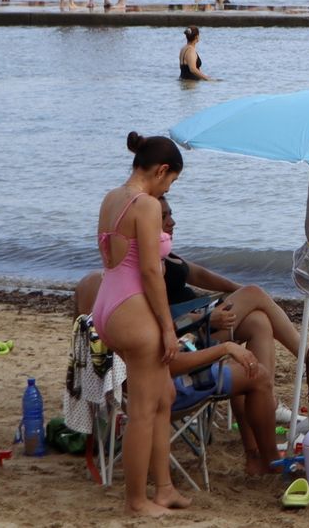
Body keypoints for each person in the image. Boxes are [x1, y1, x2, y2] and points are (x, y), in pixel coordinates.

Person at [74, 198, 291, 480]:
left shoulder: (117, 295)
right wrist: (221, 345)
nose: (170, 224)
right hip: (169, 388)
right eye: (162, 219)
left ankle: (258, 453)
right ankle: (267, 458)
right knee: (256, 374)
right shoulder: (135, 297)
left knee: (257, 326)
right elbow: (168, 359)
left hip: (147, 382)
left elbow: (164, 343)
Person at [93, 132, 186, 514]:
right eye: (171, 182)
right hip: (134, 310)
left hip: (108, 302)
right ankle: (136, 499)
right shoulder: (146, 205)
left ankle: (163, 488)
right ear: (162, 171)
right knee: (144, 410)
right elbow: (150, 270)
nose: (168, 189)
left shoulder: (112, 197)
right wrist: (168, 327)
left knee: (164, 397)